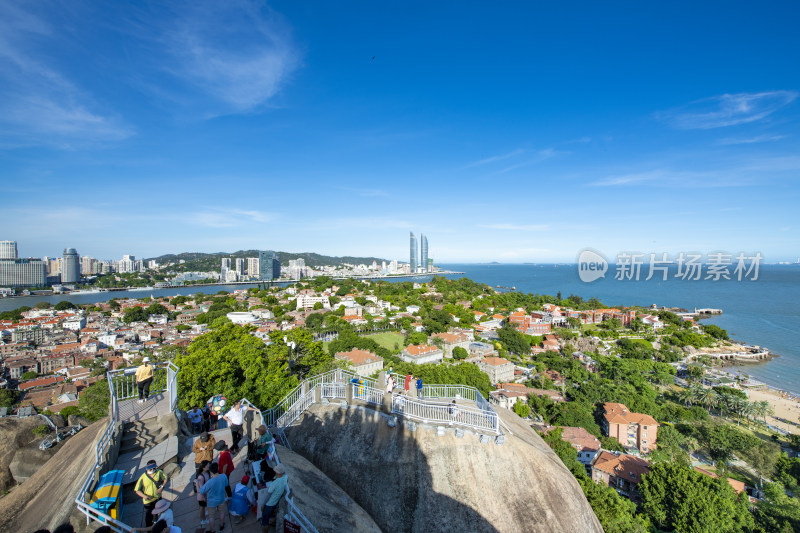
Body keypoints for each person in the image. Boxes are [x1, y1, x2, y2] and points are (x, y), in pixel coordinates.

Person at [134, 460, 167, 528]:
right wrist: (144, 496)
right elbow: (137, 490)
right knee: (149, 516)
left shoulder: (158, 472)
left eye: (154, 468)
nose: (153, 470)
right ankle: (149, 529)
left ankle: (156, 526)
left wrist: (161, 487)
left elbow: (165, 478)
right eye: (151, 468)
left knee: (156, 514)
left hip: (157, 497)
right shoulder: (143, 477)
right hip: (148, 501)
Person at [198, 463, 229, 533]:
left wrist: (197, 484)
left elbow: (201, 491)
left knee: (211, 516)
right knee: (222, 512)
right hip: (221, 498)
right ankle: (221, 525)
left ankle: (212, 531)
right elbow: (226, 484)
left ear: (211, 472)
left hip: (211, 502)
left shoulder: (210, 482)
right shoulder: (223, 476)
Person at [260, 464, 288, 531]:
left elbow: (268, 496)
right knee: (271, 512)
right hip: (275, 502)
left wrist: (262, 505)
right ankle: (272, 521)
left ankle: (265, 530)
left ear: (277, 473)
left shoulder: (274, 483)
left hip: (269, 504)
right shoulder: (285, 478)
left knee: (265, 521)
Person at [194, 460, 211, 527]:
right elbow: (201, 490)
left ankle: (205, 514)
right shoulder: (201, 477)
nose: (209, 466)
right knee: (202, 508)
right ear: (203, 467)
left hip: (206, 494)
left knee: (203, 507)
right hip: (202, 496)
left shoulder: (206, 473)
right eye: (207, 465)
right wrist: (204, 497)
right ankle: (203, 520)